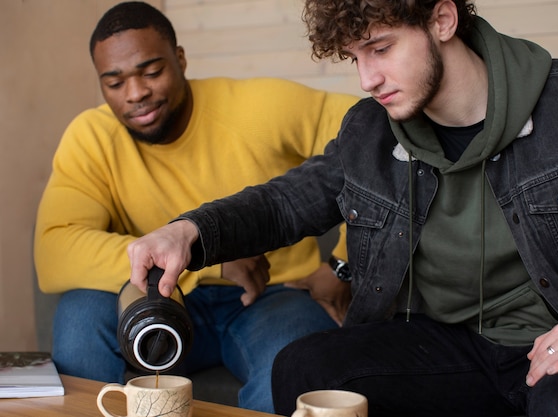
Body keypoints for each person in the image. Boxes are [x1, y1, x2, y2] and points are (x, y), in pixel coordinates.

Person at [126, 0, 558, 416]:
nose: (367, 78)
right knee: (305, 368)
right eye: (355, 58)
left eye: (381, 49)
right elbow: (286, 202)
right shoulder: (370, 130)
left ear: (443, 21)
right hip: (443, 348)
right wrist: (189, 231)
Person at [33, 1, 358, 413]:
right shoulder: (91, 137)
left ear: (180, 59)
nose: (136, 93)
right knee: (80, 313)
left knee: (295, 361)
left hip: (273, 295)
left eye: (152, 72)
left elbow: (372, 140)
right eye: (114, 83)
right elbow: (55, 251)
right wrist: (206, 261)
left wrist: (344, 266)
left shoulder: (258, 106)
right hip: (153, 295)